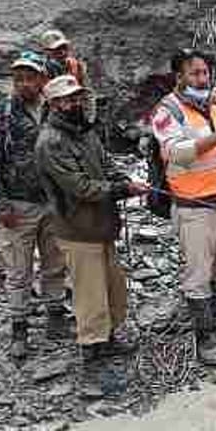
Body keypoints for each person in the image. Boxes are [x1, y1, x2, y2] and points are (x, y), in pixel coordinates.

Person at [35, 75, 148, 387]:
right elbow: (79, 187)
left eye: (76, 97)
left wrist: (123, 180)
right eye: (67, 99)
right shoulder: (50, 142)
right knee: (90, 296)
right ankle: (92, 359)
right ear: (53, 104)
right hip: (77, 229)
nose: (74, 103)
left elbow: (106, 164)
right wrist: (121, 189)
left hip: (102, 225)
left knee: (113, 288)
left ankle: (108, 339)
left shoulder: (85, 131)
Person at [151, 49, 216, 362]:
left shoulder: (215, 103)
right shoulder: (167, 111)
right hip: (194, 205)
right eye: (194, 73)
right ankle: (202, 337)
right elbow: (176, 153)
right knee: (198, 273)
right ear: (179, 76)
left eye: (205, 72)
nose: (202, 78)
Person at [0, 51, 68, 360]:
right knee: (18, 270)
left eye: (30, 78)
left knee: (56, 262)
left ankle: (56, 314)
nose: (23, 84)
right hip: (18, 204)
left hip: (54, 200)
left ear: (43, 79)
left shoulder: (57, 108)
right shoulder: (0, 113)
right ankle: (19, 328)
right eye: (18, 79)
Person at [38, 29, 97, 122]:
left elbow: (88, 93)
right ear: (46, 51)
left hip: (77, 112)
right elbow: (40, 102)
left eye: (64, 47)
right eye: (56, 49)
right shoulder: (41, 72)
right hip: (55, 116)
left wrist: (90, 118)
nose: (62, 52)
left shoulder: (77, 65)